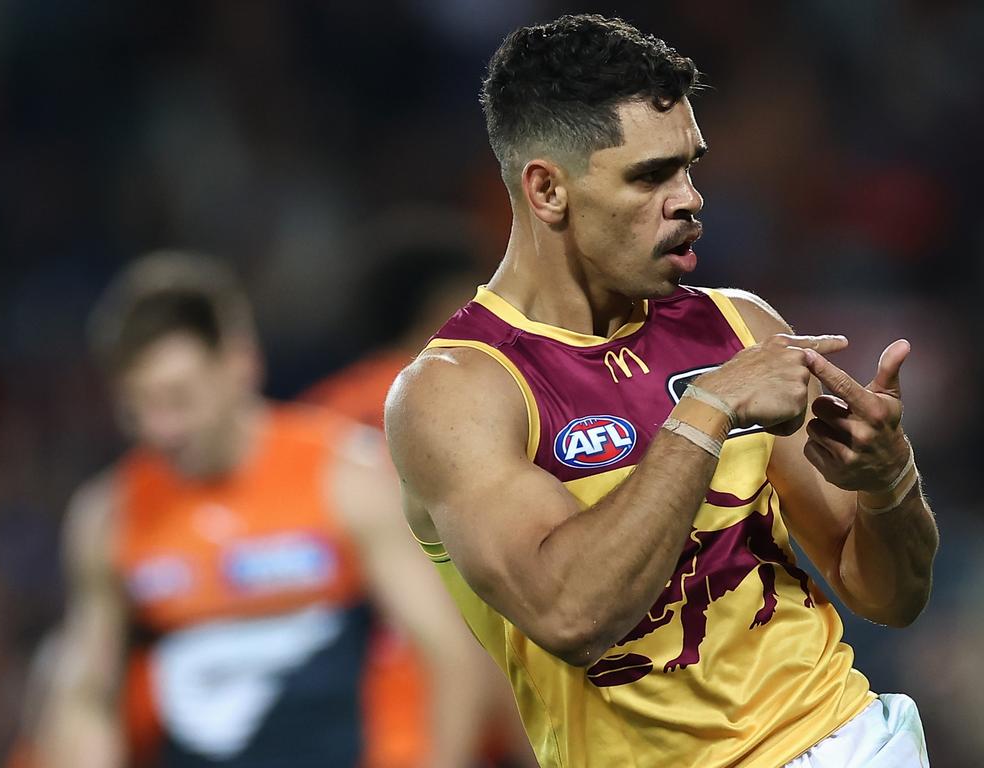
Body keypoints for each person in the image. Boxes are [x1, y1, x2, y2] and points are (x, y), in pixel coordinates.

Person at [384, 14, 938, 768]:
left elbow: (889, 597)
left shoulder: (739, 325)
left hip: (836, 741)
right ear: (547, 190)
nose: (689, 200)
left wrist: (888, 483)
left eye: (689, 167)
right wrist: (706, 411)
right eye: (649, 176)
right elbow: (572, 613)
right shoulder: (459, 394)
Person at [35, 251, 496, 768]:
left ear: (238, 363)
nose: (160, 429)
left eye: (178, 398)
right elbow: (86, 691)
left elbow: (451, 653)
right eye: (137, 407)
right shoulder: (110, 516)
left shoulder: (345, 479)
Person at [302, 210, 538, 768]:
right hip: (468, 705)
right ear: (444, 307)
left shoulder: (313, 425)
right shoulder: (473, 404)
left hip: (354, 722)